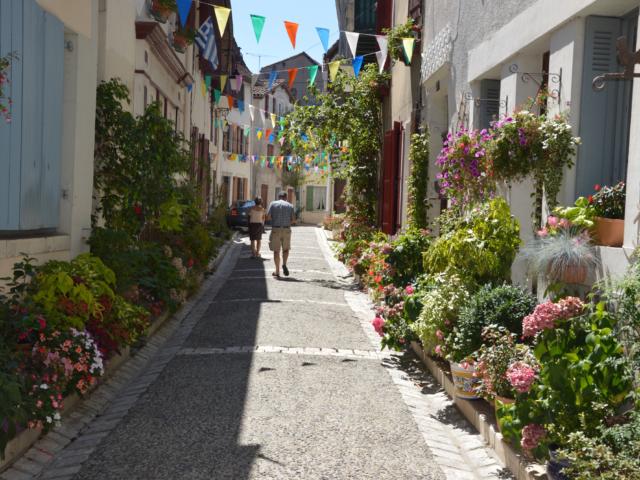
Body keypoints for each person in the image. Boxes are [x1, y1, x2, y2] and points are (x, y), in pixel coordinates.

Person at [266, 191, 295, 278]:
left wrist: (275, 219)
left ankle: (277, 271)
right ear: (286, 197)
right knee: (286, 249)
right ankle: (284, 264)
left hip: (276, 229)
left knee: (276, 251)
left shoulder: (273, 204)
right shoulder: (290, 205)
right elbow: (293, 219)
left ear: (278, 197)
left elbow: (268, 217)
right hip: (286, 229)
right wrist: (287, 222)